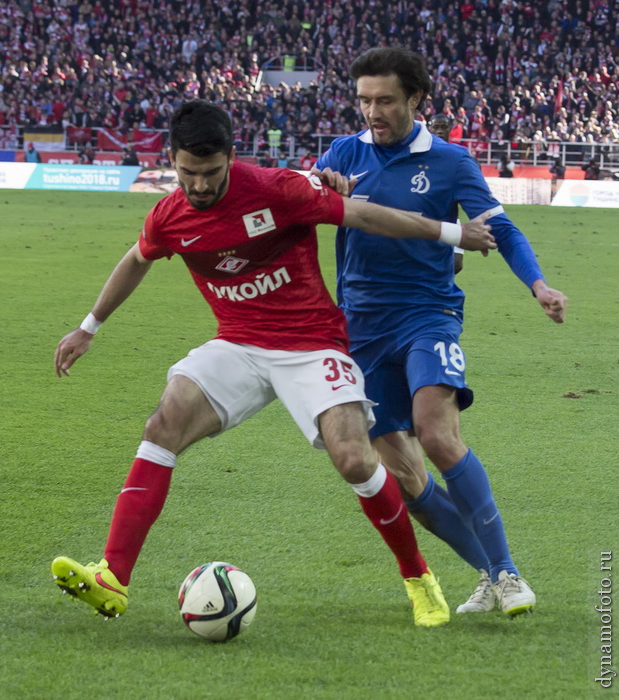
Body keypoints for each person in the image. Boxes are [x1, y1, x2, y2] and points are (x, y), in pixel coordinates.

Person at [50, 99, 495, 628]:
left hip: (312, 346)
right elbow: (137, 259)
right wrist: (88, 326)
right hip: (239, 343)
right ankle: (113, 577)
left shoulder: (278, 189)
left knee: (354, 459)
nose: (198, 185)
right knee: (163, 422)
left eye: (211, 173)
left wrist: (450, 233)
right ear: (171, 160)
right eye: (187, 172)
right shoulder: (169, 215)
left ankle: (419, 578)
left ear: (232, 157)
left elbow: (365, 215)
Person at [314, 48, 568, 617]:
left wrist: (539, 286)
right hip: (361, 329)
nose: (372, 111)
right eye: (363, 100)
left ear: (415, 100)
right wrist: (322, 188)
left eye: (384, 100)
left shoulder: (450, 161)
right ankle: (487, 572)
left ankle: (507, 572)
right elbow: (298, 205)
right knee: (406, 479)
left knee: (436, 433)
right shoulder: (341, 154)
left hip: (428, 315)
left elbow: (501, 228)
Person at [428, 114, 464, 275]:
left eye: (443, 127)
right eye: (436, 127)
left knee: (456, 264)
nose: (440, 131)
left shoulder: (458, 156)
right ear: (430, 129)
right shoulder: (420, 155)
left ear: (450, 129)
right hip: (423, 217)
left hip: (450, 218)